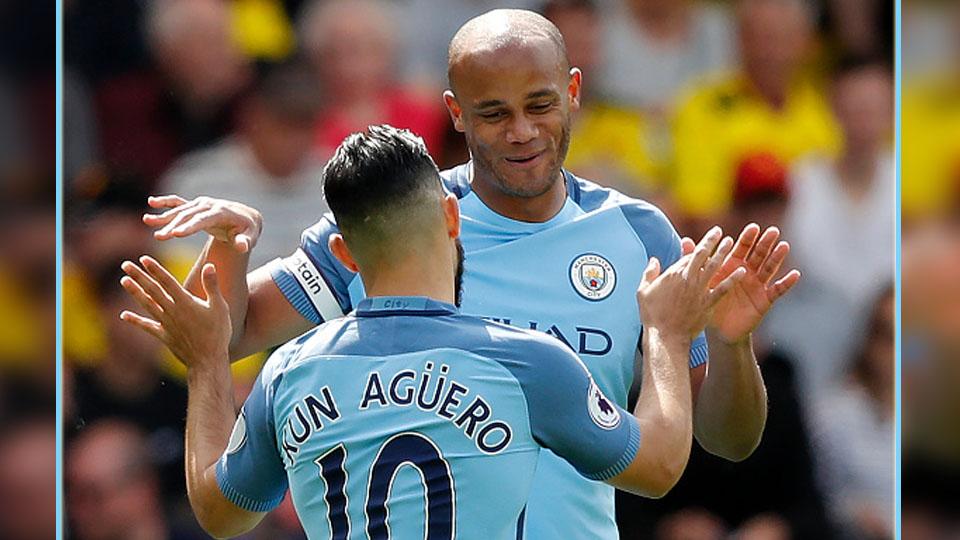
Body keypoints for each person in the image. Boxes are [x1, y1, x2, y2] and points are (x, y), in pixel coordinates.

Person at [140, 10, 799, 538]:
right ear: (455, 112)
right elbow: (228, 334)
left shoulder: (639, 235)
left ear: (572, 91)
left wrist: (734, 344)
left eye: (539, 105)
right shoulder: (401, 219)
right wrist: (227, 247)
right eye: (493, 113)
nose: (521, 132)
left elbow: (730, 440)